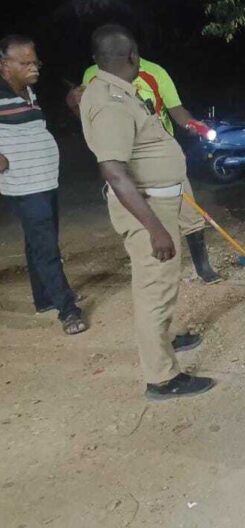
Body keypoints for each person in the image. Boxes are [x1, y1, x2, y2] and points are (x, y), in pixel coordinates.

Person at [79, 24, 215, 399]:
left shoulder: (114, 92)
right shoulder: (110, 102)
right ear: (133, 56)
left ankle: (166, 340)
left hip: (158, 200)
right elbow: (114, 171)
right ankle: (162, 378)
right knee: (154, 287)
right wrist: (155, 229)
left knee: (160, 285)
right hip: (147, 209)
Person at [67, 56, 221, 284]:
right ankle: (155, 272)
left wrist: (193, 124)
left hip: (159, 156)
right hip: (123, 158)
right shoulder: (92, 75)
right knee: (139, 219)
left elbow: (176, 110)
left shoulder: (154, 71)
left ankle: (203, 267)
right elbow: (88, 114)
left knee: (189, 213)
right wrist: (73, 104)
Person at [0, 35, 87, 335]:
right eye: (25, 63)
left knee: (37, 242)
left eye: (35, 62)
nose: (34, 68)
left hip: (44, 179)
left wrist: (71, 102)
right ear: (4, 65)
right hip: (24, 185)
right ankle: (68, 309)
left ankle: (44, 299)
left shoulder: (29, 92)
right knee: (46, 245)